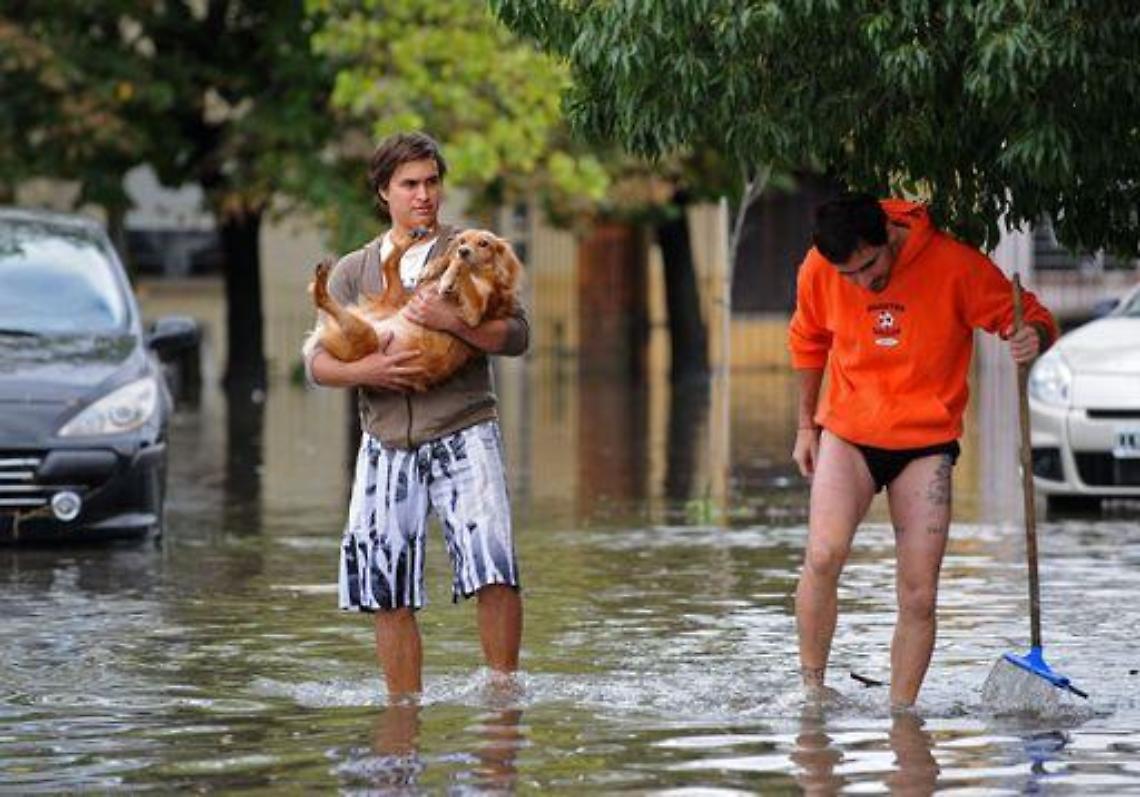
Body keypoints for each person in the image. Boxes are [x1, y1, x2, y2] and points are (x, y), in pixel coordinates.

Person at [787, 192, 1057, 710]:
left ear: (888, 235)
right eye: (850, 276)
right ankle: (811, 693)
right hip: (847, 433)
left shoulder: (955, 265)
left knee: (918, 593)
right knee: (822, 555)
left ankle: (901, 714)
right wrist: (805, 426)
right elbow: (808, 339)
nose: (863, 283)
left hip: (926, 445)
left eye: (868, 266)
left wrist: (1030, 336)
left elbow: (1030, 316)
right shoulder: (820, 268)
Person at [303, 131, 527, 699]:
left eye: (432, 182)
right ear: (384, 192)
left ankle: (503, 706)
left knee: (493, 569)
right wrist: (365, 375)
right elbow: (317, 363)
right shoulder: (354, 269)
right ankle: (403, 714)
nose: (424, 195)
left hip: (464, 428)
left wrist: (456, 324)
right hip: (383, 441)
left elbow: (517, 334)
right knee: (385, 586)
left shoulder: (473, 247)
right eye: (410, 184)